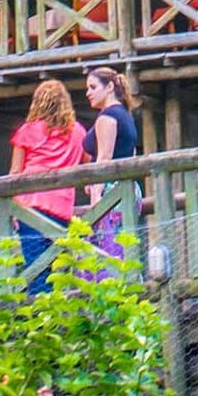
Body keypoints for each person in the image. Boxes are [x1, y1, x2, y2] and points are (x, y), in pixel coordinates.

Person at [7, 77, 87, 291]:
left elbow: (15, 173)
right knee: (58, 266)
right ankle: (58, 313)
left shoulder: (27, 130)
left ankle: (40, 315)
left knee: (35, 265)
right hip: (62, 206)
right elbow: (88, 161)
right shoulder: (77, 131)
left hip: (30, 205)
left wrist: (13, 208)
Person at [82, 66, 143, 267]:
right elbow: (131, 154)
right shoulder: (126, 115)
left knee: (107, 251)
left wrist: (95, 197)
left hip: (111, 192)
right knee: (123, 249)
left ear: (109, 87)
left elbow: (104, 159)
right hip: (128, 188)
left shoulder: (107, 117)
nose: (88, 93)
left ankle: (117, 292)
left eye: (92, 87)